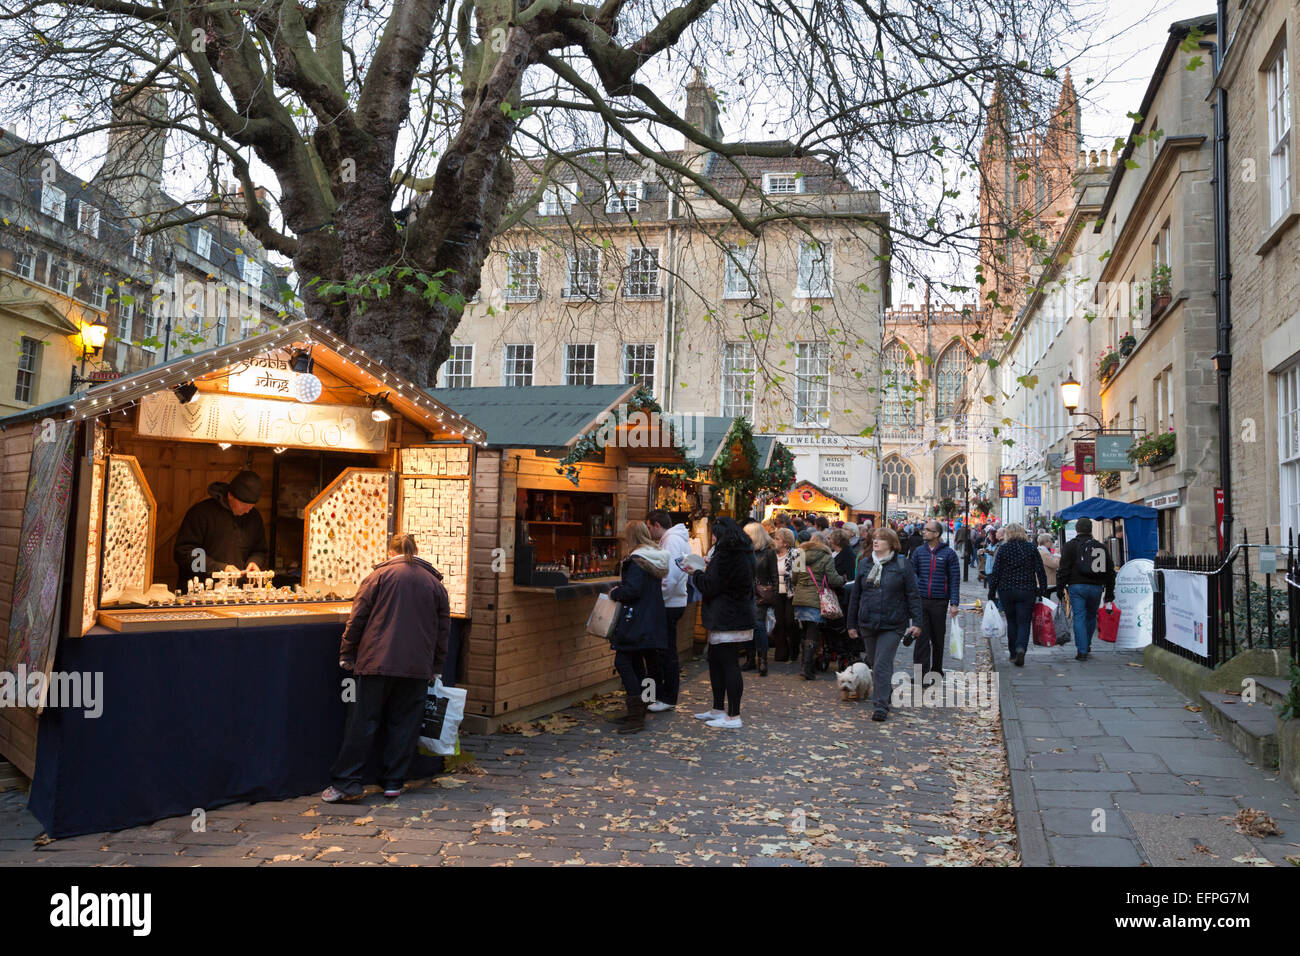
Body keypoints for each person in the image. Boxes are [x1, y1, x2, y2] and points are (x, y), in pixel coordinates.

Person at [324, 533, 451, 802]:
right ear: (418, 549)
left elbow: (357, 618)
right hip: (417, 667)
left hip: (375, 662)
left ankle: (348, 783)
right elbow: (443, 631)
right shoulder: (435, 584)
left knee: (362, 722)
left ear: (389, 551)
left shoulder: (377, 578)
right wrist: (436, 665)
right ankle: (394, 782)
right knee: (404, 724)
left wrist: (347, 651)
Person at [687, 517, 757, 729]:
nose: (714, 538)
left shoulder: (725, 555)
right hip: (739, 614)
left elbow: (710, 586)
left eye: (715, 534)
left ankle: (733, 716)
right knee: (717, 660)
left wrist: (696, 572)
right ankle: (718, 709)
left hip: (726, 616)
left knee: (727, 663)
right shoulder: (745, 552)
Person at [848, 528, 921, 722]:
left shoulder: (902, 564)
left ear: (892, 543)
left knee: (881, 663)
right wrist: (851, 623)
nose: (876, 541)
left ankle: (880, 705)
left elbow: (912, 595)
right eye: (874, 538)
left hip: (893, 622)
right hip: (868, 621)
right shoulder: (865, 563)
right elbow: (856, 595)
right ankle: (885, 690)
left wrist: (917, 622)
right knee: (875, 660)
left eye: (881, 539)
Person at [606, 521, 670, 734]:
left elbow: (632, 590)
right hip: (652, 619)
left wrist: (615, 593)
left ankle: (636, 714)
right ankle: (641, 707)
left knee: (623, 661)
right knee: (640, 664)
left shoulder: (637, 561)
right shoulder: (655, 557)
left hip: (636, 620)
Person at [173, 469, 268, 589]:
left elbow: (259, 550)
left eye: (252, 506)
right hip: (201, 591)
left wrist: (254, 562)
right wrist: (220, 568)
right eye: (244, 505)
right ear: (230, 495)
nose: (248, 510)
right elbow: (183, 553)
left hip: (239, 592)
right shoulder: (201, 513)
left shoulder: (253, 516)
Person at [645, 509, 691, 712]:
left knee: (665, 652)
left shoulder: (671, 541)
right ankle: (663, 696)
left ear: (656, 524)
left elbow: (670, 575)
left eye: (649, 527)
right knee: (666, 651)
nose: (649, 532)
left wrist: (658, 599)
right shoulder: (677, 539)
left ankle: (666, 697)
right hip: (674, 601)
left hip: (669, 603)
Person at [987, 523, 1048, 667]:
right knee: (1024, 622)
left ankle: (1013, 652)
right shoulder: (1031, 548)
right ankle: (1021, 648)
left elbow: (996, 572)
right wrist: (1043, 590)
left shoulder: (1003, 549)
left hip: (1006, 590)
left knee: (1012, 621)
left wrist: (991, 592)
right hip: (1027, 589)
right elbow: (1040, 570)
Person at [1057, 517, 1117, 661]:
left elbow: (1063, 569)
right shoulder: (1101, 547)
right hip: (1096, 587)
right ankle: (1087, 644)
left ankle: (1082, 650)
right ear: (1090, 529)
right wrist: (1109, 593)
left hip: (1076, 587)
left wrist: (1060, 588)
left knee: (1079, 616)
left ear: (1077, 529)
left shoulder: (1070, 546)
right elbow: (1110, 571)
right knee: (1091, 617)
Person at [910, 519, 961, 681]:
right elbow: (913, 572)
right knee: (921, 638)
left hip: (940, 600)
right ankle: (920, 675)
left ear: (936, 534)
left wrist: (954, 603)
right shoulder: (919, 552)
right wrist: (917, 588)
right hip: (922, 600)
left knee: (938, 638)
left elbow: (954, 579)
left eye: (927, 530)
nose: (923, 531)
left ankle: (936, 671)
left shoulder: (949, 554)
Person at [790, 535, 845, 680]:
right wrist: (843, 579)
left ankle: (803, 665)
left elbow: (793, 578)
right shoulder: (827, 557)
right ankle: (807, 668)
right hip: (815, 599)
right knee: (813, 633)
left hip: (800, 598)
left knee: (804, 633)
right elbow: (833, 579)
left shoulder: (800, 555)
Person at [745, 520, 777, 676]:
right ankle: (750, 659)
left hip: (760, 595)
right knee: (748, 626)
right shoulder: (745, 551)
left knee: (758, 626)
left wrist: (774, 597)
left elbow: (774, 576)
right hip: (745, 593)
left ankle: (762, 661)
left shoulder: (768, 553)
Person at [772, 527, 802, 661]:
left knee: (790, 622)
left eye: (777, 539)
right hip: (776, 592)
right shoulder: (772, 554)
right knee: (779, 622)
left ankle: (794, 650)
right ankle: (781, 653)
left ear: (785, 542)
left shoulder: (797, 553)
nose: (774, 541)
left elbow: (801, 574)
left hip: (792, 592)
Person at [1036, 532, 1069, 643]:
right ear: (1046, 542)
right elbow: (1055, 564)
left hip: (1048, 582)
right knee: (1048, 608)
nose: (1052, 543)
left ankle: (1048, 628)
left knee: (1048, 607)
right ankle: (1047, 630)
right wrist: (1057, 554)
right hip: (1048, 583)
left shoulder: (1043, 552)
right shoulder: (1042, 553)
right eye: (1051, 541)